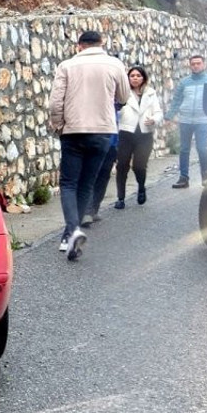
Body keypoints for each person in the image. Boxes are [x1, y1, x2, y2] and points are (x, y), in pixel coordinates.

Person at [48, 30, 130, 260]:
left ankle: (71, 231)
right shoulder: (115, 64)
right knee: (86, 183)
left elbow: (55, 103)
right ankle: (70, 233)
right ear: (101, 43)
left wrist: (58, 125)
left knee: (68, 183)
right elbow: (124, 97)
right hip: (103, 132)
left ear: (79, 46)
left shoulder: (67, 66)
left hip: (73, 131)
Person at [166, 54, 207, 188]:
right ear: (190, 65)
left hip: (203, 119)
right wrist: (169, 116)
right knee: (184, 149)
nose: (196, 66)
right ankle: (183, 178)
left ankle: (205, 177)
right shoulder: (184, 82)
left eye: (198, 63)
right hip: (185, 119)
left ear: (204, 64)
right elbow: (177, 100)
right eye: (193, 64)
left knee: (202, 148)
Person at [113, 65, 163, 208]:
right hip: (126, 132)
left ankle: (141, 187)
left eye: (138, 76)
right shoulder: (123, 93)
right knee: (122, 165)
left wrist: (154, 119)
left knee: (139, 166)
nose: (135, 78)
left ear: (143, 78)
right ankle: (120, 198)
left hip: (144, 133)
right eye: (132, 76)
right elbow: (115, 107)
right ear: (128, 78)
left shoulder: (150, 93)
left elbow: (158, 112)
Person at [81, 106, 120, 227]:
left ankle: (93, 210)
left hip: (111, 142)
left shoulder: (116, 101)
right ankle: (87, 212)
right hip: (94, 139)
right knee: (91, 175)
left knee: (104, 176)